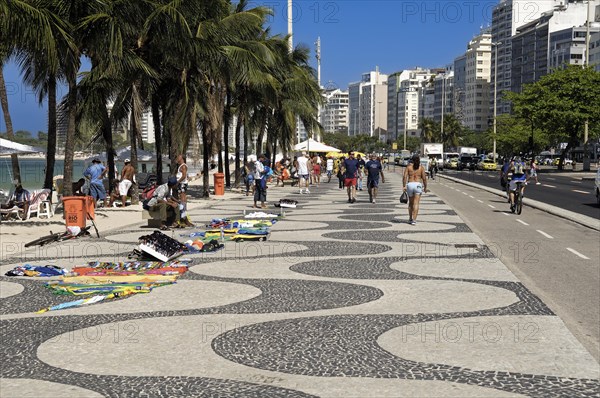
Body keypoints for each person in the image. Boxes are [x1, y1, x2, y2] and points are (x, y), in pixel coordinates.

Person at [403, 154, 428, 225]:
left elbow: (404, 177)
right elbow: (424, 179)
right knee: (416, 203)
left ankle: (410, 218)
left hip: (410, 184)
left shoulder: (409, 167)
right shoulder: (421, 168)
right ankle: (414, 220)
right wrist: (425, 187)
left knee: (410, 203)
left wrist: (404, 186)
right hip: (418, 185)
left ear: (412, 160)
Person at [175, 155, 193, 226]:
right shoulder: (181, 166)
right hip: (182, 184)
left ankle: (183, 216)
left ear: (181, 158)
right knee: (182, 199)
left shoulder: (183, 166)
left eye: (178, 157)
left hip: (181, 184)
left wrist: (177, 182)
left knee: (182, 199)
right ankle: (183, 215)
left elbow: (184, 175)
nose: (177, 159)